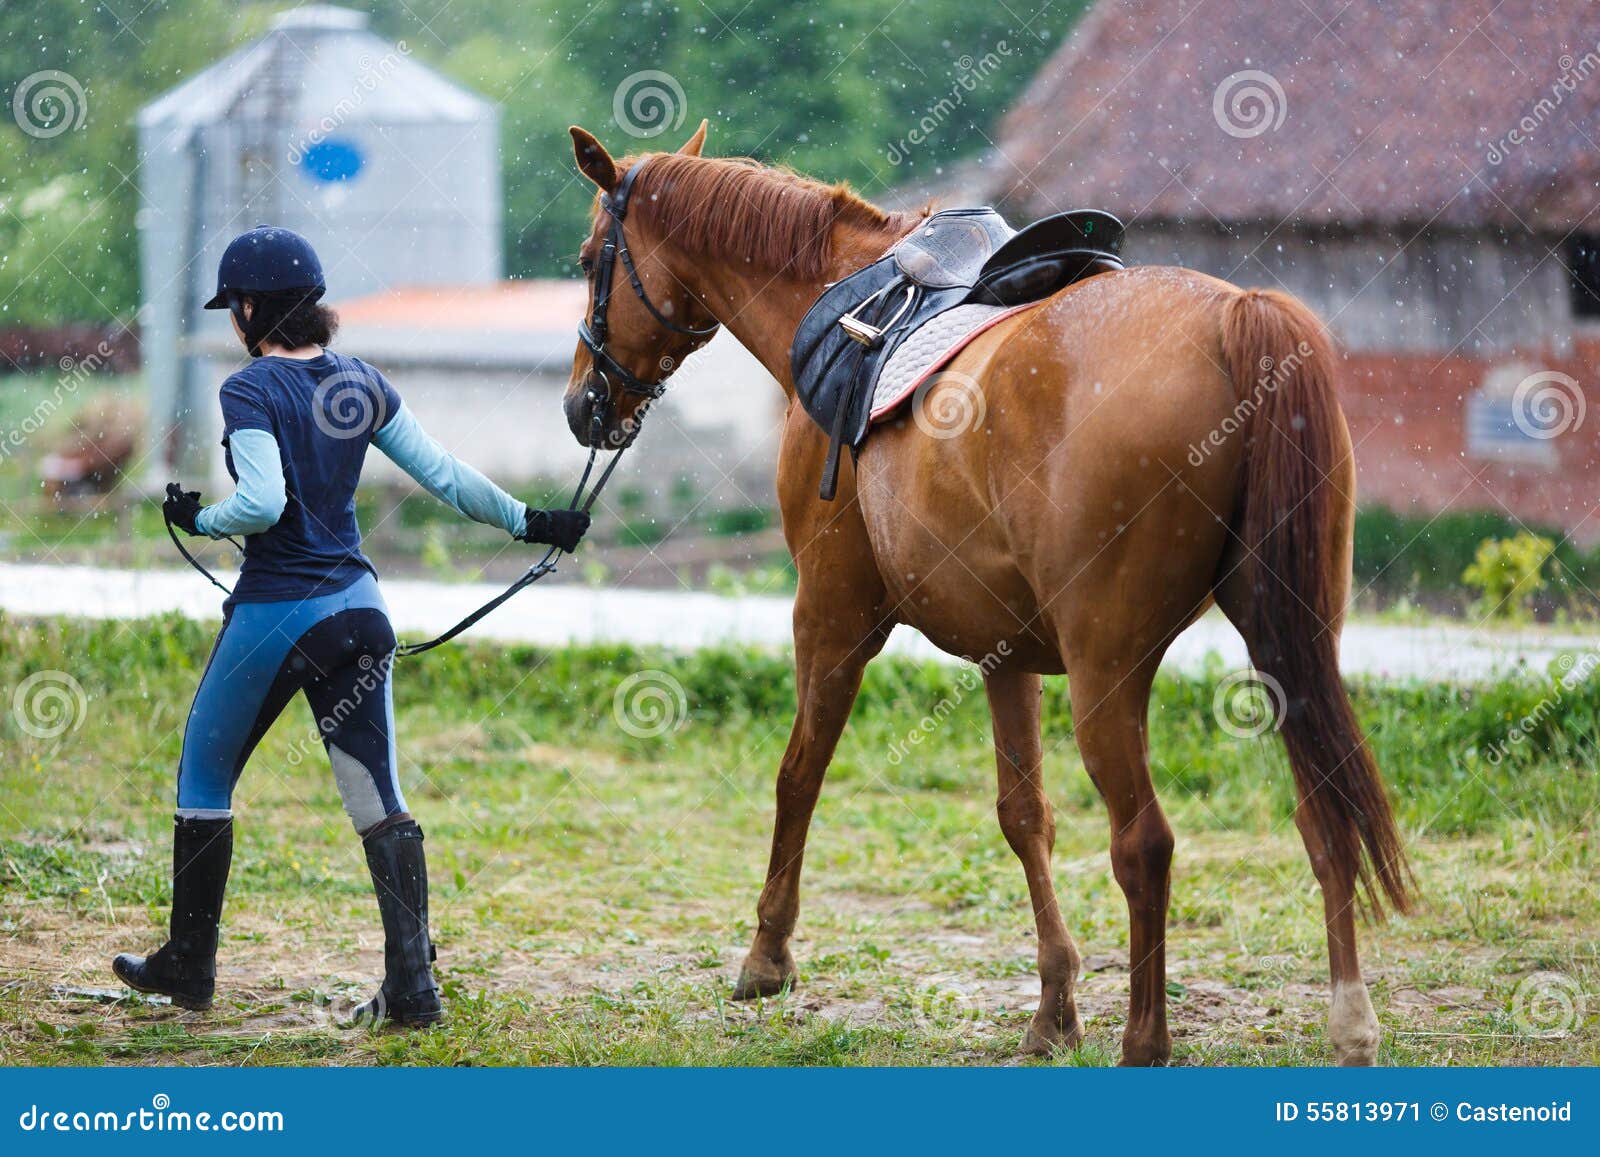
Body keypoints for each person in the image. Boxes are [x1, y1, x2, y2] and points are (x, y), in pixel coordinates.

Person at [112, 225, 589, 1027]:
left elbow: (261, 504)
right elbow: (443, 473)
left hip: (278, 612)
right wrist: (531, 520)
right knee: (380, 802)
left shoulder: (251, 388)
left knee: (204, 777)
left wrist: (200, 519)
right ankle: (412, 988)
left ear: (252, 309)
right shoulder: (361, 381)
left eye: (235, 306)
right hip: (360, 613)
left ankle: (190, 963)